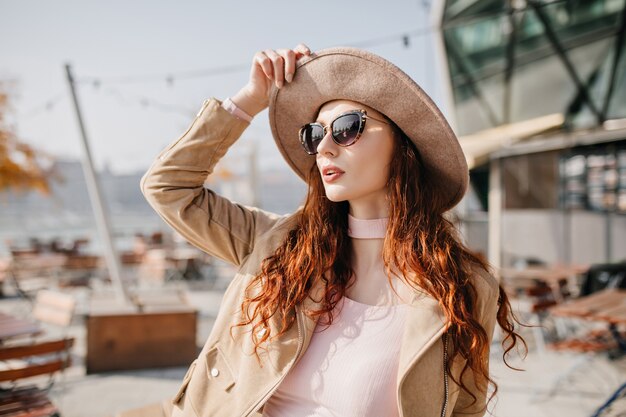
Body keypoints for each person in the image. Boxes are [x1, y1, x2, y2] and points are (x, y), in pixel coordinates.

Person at [141, 43, 525, 417]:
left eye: (345, 128)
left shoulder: (465, 288)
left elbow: (465, 411)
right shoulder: (277, 246)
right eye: (314, 134)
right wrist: (249, 100)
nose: (323, 146)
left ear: (404, 144)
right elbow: (168, 188)